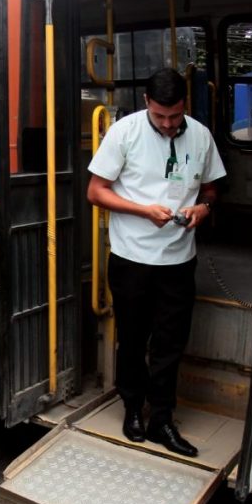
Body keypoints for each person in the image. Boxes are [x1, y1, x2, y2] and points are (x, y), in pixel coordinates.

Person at [87, 67, 226, 458]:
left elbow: (213, 188)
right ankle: (132, 407)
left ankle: (161, 419)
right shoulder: (124, 133)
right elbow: (96, 192)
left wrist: (203, 207)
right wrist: (143, 210)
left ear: (185, 107)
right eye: (160, 116)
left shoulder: (199, 135)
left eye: (175, 116)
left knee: (170, 344)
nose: (168, 124)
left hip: (180, 260)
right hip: (132, 257)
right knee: (133, 339)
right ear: (147, 103)